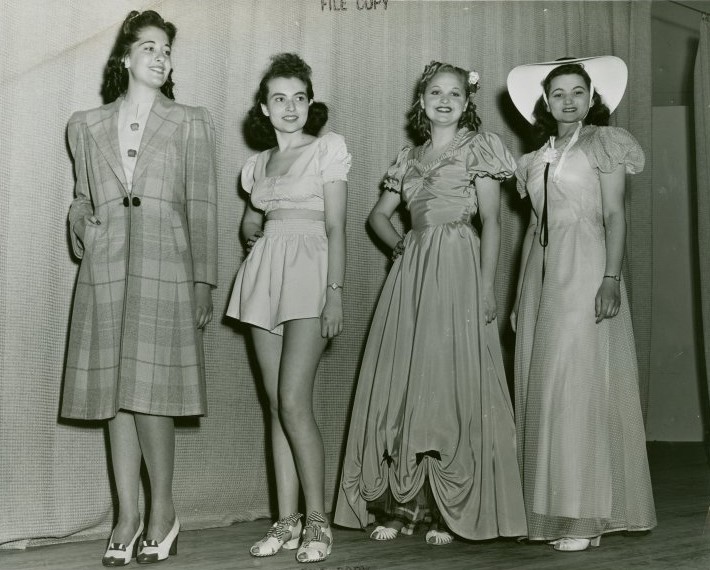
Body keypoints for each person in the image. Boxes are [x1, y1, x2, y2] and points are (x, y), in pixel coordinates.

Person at [335, 61, 527, 545]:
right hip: (412, 276)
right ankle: (402, 506)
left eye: (455, 94)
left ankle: (444, 510)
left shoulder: (479, 148)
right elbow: (378, 217)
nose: (445, 100)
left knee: (448, 381)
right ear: (422, 103)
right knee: (405, 381)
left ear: (467, 103)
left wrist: (486, 288)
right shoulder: (408, 157)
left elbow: (493, 223)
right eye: (435, 93)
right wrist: (400, 242)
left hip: (460, 270)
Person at [61, 10, 217, 566]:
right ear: (125, 57)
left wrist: (203, 280)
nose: (159, 57)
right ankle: (126, 514)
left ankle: (162, 511)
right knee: (115, 395)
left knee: (153, 393)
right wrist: (82, 222)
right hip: (106, 268)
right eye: (148, 47)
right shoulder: (84, 123)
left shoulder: (192, 121)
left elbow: (201, 207)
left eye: (166, 50)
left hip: (166, 264)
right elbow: (81, 196)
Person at [506, 56, 657, 551]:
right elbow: (534, 228)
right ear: (545, 103)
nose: (568, 100)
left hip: (588, 267)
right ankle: (567, 513)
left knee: (577, 386)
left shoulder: (604, 144)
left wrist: (610, 278)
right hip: (541, 278)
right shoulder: (534, 159)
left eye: (577, 91)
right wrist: (518, 297)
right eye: (558, 93)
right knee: (547, 387)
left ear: (592, 99)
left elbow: (615, 215)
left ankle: (586, 516)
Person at [226, 53, 350, 564]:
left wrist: (335, 291)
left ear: (310, 102)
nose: (291, 107)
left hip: (313, 274)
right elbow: (252, 220)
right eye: (280, 98)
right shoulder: (256, 165)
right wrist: (254, 234)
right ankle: (286, 520)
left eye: (300, 97)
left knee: (295, 398)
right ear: (265, 107)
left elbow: (337, 226)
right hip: (266, 279)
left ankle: (317, 520)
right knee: (276, 403)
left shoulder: (328, 149)